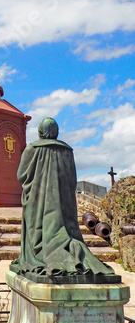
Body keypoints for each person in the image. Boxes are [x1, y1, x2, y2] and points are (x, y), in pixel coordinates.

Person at [11, 117, 115, 279]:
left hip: (37, 201)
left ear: (40, 132)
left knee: (37, 231)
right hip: (63, 203)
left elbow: (21, 176)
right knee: (67, 233)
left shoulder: (32, 149)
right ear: (56, 132)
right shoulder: (67, 151)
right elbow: (72, 179)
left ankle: (42, 255)